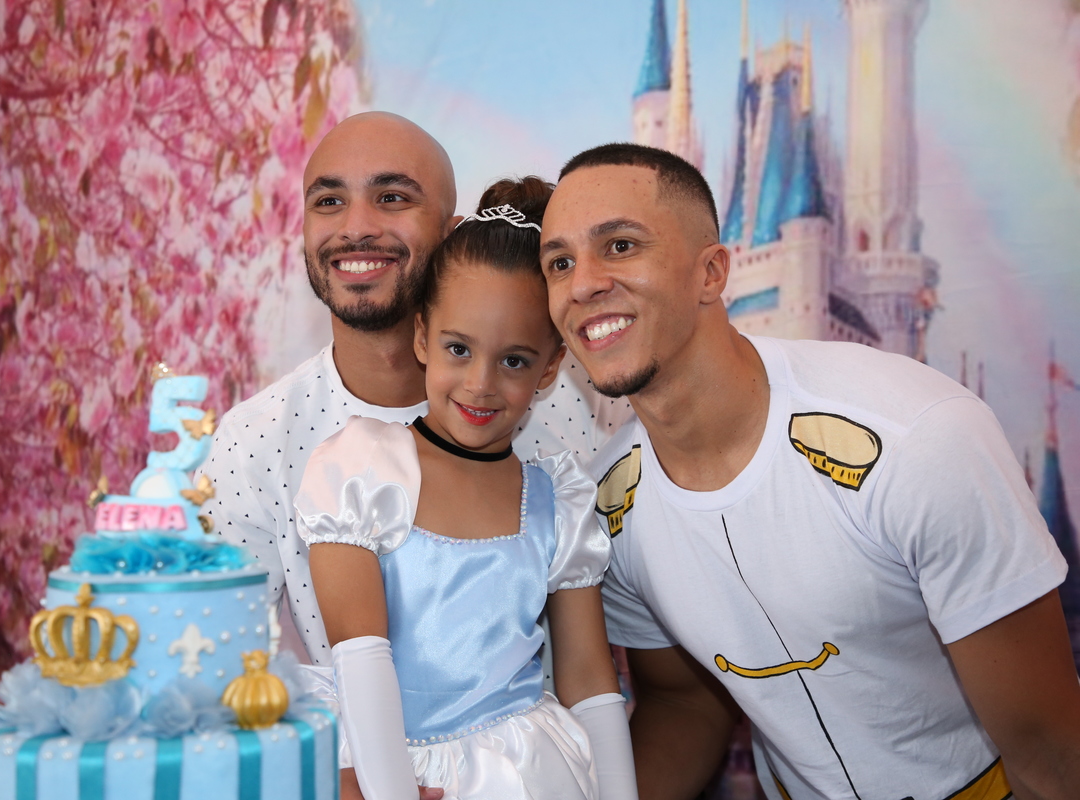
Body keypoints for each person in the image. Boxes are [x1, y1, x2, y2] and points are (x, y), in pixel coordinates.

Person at [537, 142, 1080, 800]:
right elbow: (685, 705)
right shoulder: (607, 508)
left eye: (620, 246)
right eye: (559, 262)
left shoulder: (915, 439)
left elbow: (1051, 756)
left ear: (712, 272)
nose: (583, 283)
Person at [197, 113, 632, 798]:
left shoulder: (567, 424)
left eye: (392, 196)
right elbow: (211, 670)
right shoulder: (255, 439)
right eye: (329, 200)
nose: (356, 227)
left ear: (451, 231)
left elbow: (599, 670)